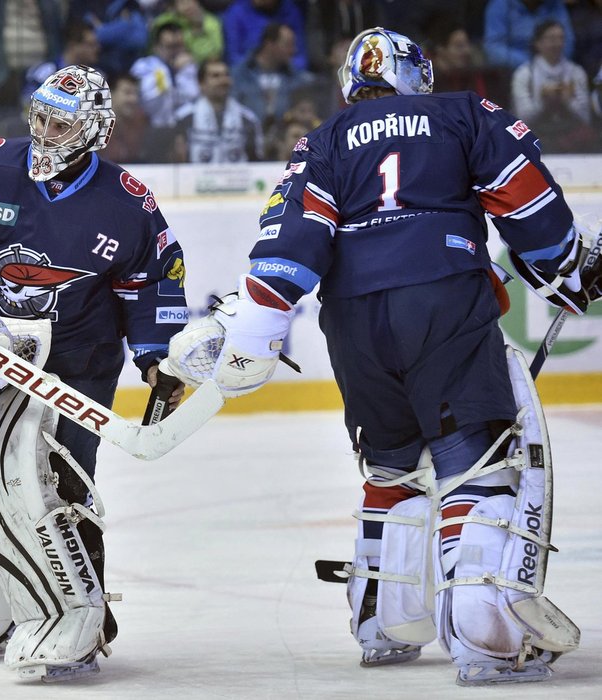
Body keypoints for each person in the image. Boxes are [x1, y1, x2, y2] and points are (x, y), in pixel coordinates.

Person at [163, 27, 597, 685]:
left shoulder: (325, 139)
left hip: (353, 317)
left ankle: (384, 624)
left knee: (390, 466)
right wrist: (566, 268)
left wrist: (257, 328)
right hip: (442, 297)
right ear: (414, 75)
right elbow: (523, 196)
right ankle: (487, 638)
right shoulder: (461, 112)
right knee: (470, 467)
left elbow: (289, 241)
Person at [0, 64, 188, 681]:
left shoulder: (126, 203)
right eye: (39, 115)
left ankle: (78, 613)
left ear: (93, 129)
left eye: (61, 121)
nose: (45, 130)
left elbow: (154, 279)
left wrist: (158, 358)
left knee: (53, 485)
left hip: (78, 360)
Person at [510, 20, 595, 152]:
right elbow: (521, 120)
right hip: (537, 136)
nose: (558, 44)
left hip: (571, 137)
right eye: (551, 39)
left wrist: (567, 101)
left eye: (561, 38)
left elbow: (586, 118)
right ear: (537, 43)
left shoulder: (576, 72)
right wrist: (543, 103)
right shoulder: (524, 74)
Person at [231, 22, 316, 133]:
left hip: (284, 140)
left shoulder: (298, 78)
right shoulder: (240, 74)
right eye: (288, 45)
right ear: (269, 45)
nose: (293, 50)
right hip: (248, 138)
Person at [174, 58, 263, 162]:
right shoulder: (183, 118)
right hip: (196, 177)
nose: (223, 80)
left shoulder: (248, 119)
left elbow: (256, 161)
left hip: (237, 177)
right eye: (215, 76)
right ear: (201, 83)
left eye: (226, 75)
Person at [129, 20, 199, 127]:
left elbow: (193, 96)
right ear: (156, 47)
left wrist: (179, 73)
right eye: (170, 46)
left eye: (179, 46)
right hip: (150, 126)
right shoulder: (143, 66)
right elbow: (148, 100)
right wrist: (169, 71)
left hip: (181, 126)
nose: (176, 52)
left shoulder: (188, 66)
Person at [484, 0, 574, 70]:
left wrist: (549, 64)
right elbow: (493, 48)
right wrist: (533, 65)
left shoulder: (555, 4)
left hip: (555, 66)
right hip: (514, 70)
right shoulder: (500, 5)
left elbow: (568, 42)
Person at [221, 0, 308, 71]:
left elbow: (301, 56)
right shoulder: (236, 13)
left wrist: (288, 67)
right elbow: (233, 57)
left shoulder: (291, 11)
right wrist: (260, 67)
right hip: (248, 74)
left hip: (287, 73)